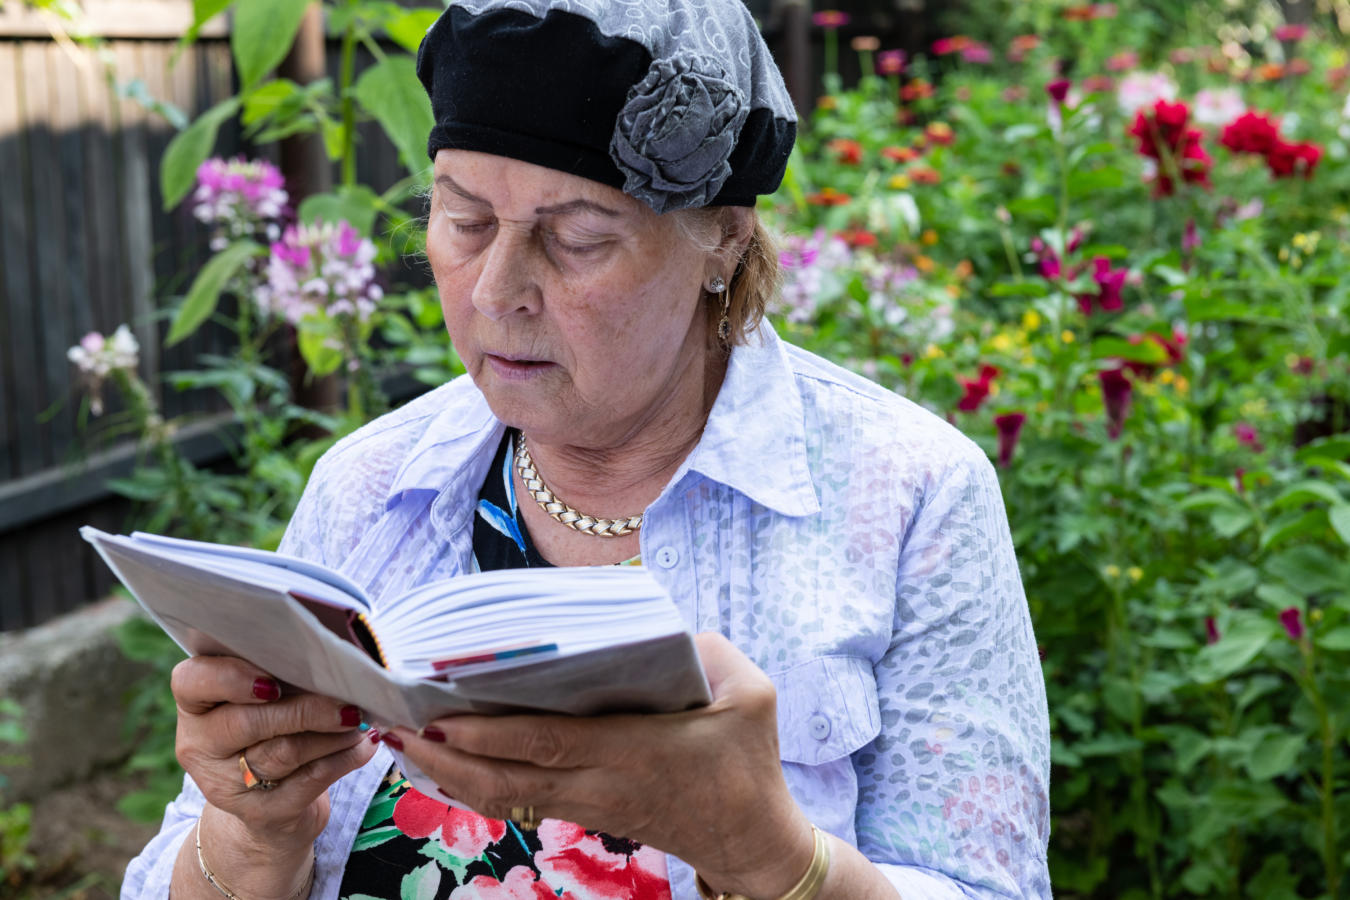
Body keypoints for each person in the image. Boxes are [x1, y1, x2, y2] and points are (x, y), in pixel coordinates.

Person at [122, 1, 1051, 898]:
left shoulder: (908, 495)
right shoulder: (369, 488)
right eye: (465, 220)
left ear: (721, 243)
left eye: (575, 237)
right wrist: (253, 829)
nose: (495, 291)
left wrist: (770, 856)